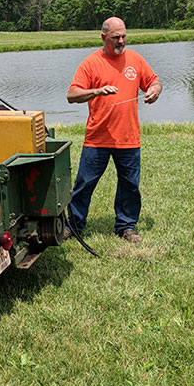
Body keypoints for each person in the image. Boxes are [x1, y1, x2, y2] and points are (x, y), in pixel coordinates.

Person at [66, 16, 162, 243]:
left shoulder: (135, 59)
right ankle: (74, 226)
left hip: (128, 138)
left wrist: (155, 91)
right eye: (115, 37)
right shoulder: (91, 63)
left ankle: (126, 227)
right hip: (97, 138)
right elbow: (72, 95)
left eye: (123, 36)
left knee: (130, 185)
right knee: (84, 184)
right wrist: (96, 91)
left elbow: (154, 81)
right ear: (103, 37)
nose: (121, 41)